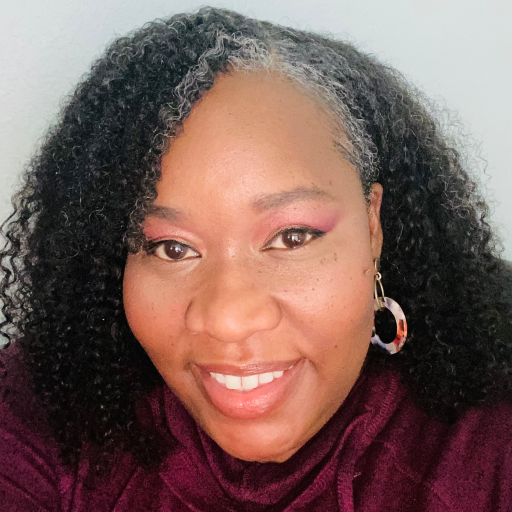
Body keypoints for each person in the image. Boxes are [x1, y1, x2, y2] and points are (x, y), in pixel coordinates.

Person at [1, 6, 511, 511]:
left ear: (372, 224)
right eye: (171, 247)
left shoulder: (490, 446)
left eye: (291, 236)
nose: (226, 318)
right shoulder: (42, 413)